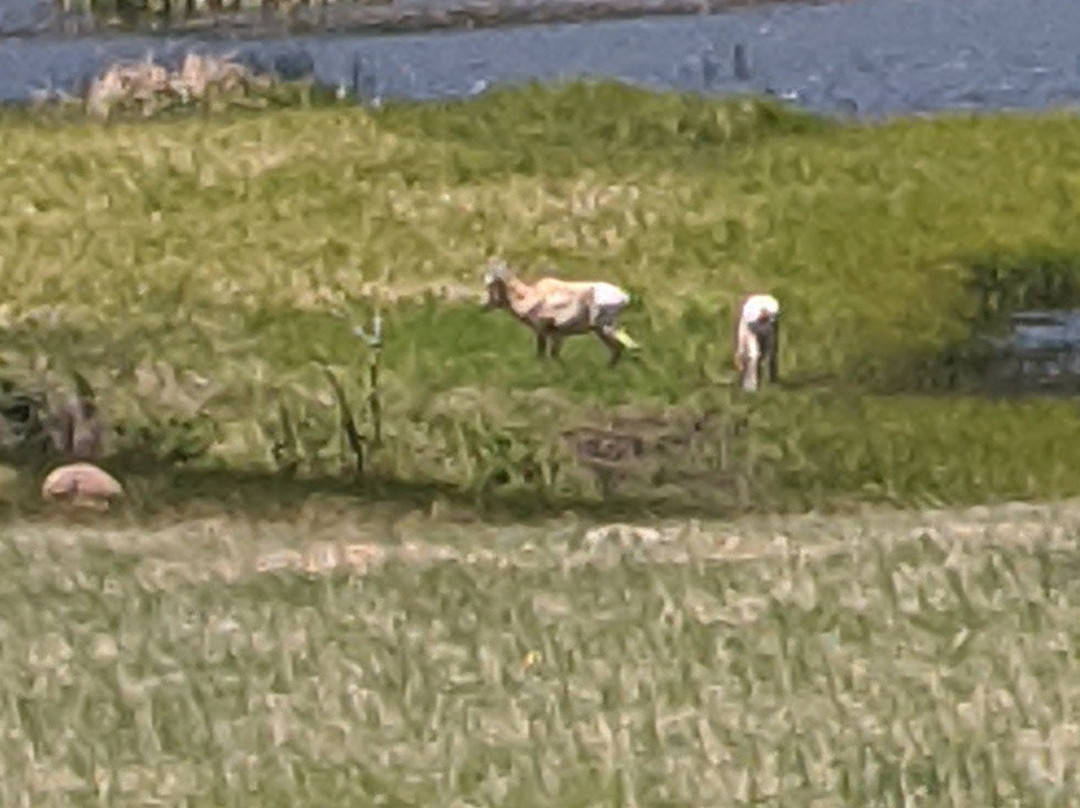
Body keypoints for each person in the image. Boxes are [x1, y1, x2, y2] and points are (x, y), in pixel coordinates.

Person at [734, 293, 781, 391]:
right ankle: (750, 385)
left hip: (767, 326)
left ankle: (772, 378)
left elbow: (772, 328)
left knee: (771, 352)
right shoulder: (749, 313)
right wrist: (741, 349)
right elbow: (745, 333)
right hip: (750, 328)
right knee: (753, 355)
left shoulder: (773, 306)